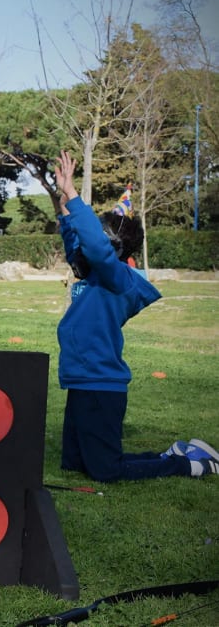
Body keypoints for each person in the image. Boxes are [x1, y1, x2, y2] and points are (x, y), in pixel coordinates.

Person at [55, 150, 218, 481]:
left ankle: (191, 464)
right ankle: (171, 453)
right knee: (75, 464)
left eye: (97, 240)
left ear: (111, 248)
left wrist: (73, 195)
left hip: (101, 385)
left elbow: (94, 248)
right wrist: (65, 212)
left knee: (106, 471)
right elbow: (78, 247)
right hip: (82, 382)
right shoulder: (94, 273)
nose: (88, 247)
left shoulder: (117, 278)